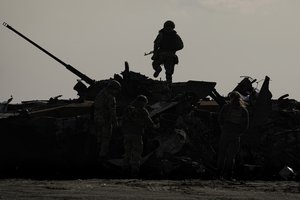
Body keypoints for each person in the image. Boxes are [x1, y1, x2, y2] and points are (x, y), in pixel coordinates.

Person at [217, 91, 249, 180]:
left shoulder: (226, 107)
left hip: (226, 133)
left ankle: (219, 175)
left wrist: (223, 129)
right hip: (235, 135)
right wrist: (239, 133)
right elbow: (245, 125)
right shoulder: (243, 110)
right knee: (231, 157)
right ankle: (229, 176)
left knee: (222, 155)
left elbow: (220, 119)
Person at [121, 95, 155, 177]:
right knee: (136, 152)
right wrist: (155, 126)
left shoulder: (128, 109)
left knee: (127, 151)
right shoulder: (143, 111)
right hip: (137, 134)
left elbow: (123, 121)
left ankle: (125, 168)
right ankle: (134, 170)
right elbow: (149, 123)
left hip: (127, 134)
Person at [94, 80, 121, 160]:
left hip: (97, 118)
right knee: (106, 138)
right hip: (105, 120)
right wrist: (115, 123)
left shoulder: (101, 93)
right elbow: (112, 111)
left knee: (98, 138)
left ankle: (96, 153)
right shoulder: (111, 97)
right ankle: (103, 156)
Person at [151, 20, 184, 85]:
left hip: (162, 54)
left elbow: (156, 44)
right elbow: (181, 46)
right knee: (169, 72)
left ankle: (158, 69)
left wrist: (155, 53)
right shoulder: (176, 36)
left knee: (155, 63)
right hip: (172, 55)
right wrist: (174, 49)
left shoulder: (161, 34)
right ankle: (169, 84)